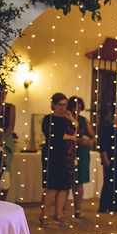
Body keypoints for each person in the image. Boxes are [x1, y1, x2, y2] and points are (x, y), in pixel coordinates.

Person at [40, 93, 76, 225]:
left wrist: (71, 119)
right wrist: (67, 136)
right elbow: (53, 135)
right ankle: (44, 216)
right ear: (54, 105)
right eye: (60, 104)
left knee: (64, 187)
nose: (63, 107)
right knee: (51, 187)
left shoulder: (67, 119)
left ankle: (59, 215)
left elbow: (74, 133)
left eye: (65, 104)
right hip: (52, 155)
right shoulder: (48, 119)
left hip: (66, 155)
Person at [68, 96, 95, 218]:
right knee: (67, 181)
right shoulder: (66, 119)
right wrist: (78, 140)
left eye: (79, 108)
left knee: (79, 182)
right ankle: (61, 209)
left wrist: (89, 141)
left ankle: (77, 209)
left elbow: (93, 137)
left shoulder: (84, 121)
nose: (76, 110)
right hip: (69, 151)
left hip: (82, 153)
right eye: (74, 108)